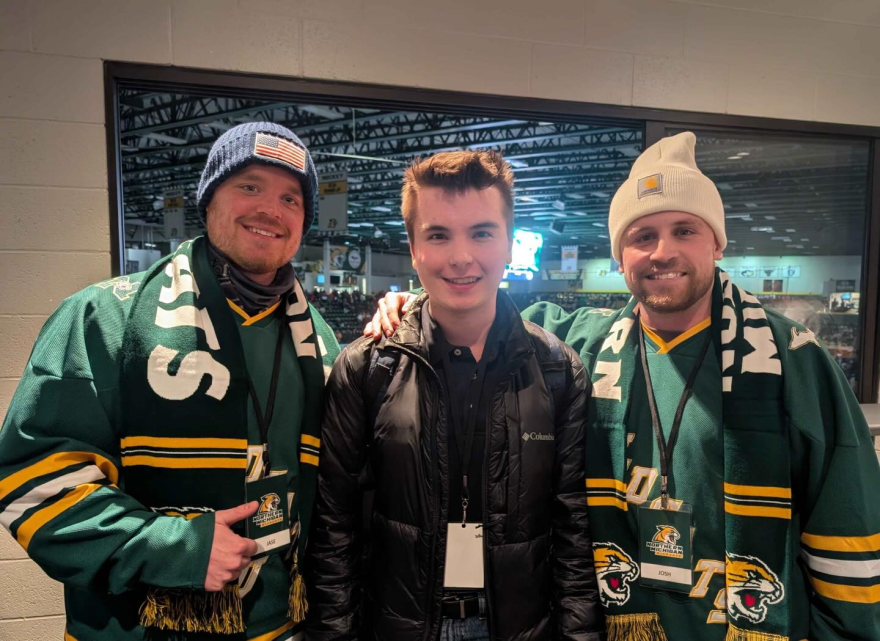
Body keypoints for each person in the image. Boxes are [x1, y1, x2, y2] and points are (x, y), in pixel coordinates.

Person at [366, 132, 880, 640]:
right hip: (625, 623)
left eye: (684, 230)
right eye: (642, 236)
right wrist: (415, 299)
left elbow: (848, 525)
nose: (663, 252)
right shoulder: (585, 344)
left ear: (718, 242)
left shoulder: (789, 359)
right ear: (620, 255)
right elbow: (480, 308)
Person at [0, 122, 339, 641]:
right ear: (208, 200)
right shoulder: (102, 318)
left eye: (291, 198)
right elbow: (31, 482)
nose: (271, 209)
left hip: (281, 628)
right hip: (137, 629)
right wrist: (173, 545)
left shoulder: (321, 343)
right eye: (249, 186)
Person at [307, 150, 605, 641]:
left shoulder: (557, 371)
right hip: (399, 626)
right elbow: (334, 530)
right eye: (439, 234)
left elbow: (573, 531)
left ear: (509, 243)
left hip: (519, 628)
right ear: (413, 246)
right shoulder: (365, 367)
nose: (462, 257)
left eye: (482, 233)